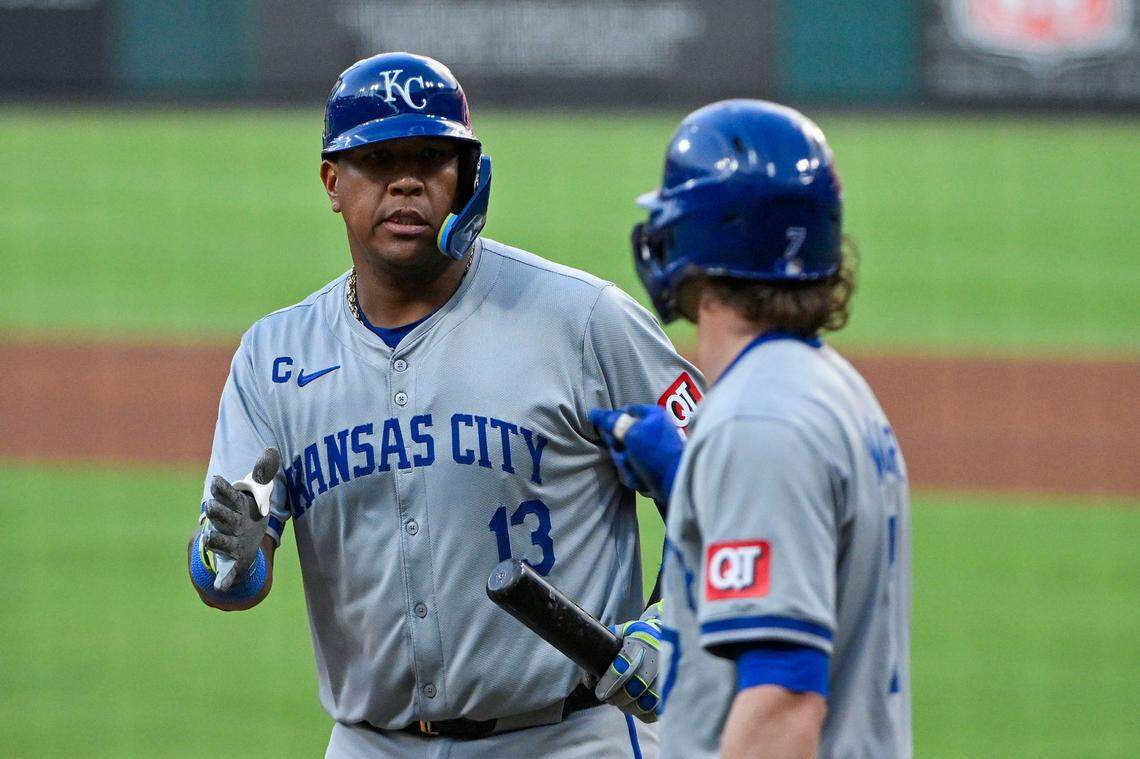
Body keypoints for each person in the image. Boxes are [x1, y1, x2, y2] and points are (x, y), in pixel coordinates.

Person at [186, 52, 705, 758]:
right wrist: (229, 557)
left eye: (431, 157)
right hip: (371, 743)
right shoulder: (276, 355)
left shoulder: (584, 321)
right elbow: (230, 574)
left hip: (567, 737)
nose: (405, 180)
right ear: (333, 182)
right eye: (378, 159)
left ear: (467, 176)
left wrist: (672, 619)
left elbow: (726, 485)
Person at [590, 100, 912, 758]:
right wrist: (688, 484)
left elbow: (782, 701)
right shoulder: (830, 389)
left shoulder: (758, 422)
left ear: (699, 233)